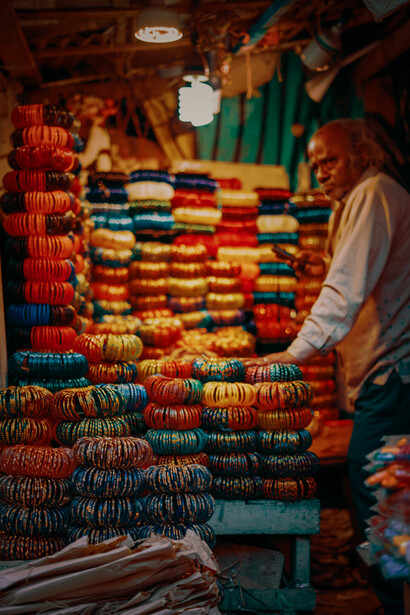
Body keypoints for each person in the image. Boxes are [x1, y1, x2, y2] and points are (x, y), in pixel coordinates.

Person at [243, 118, 410, 615]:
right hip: (385, 377)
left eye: (329, 160)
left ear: (363, 153)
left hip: (395, 377)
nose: (320, 173)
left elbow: (347, 291)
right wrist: (324, 266)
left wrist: (294, 354)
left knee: (379, 498)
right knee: (386, 496)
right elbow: (358, 277)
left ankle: (395, 602)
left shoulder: (373, 194)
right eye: (314, 164)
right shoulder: (361, 202)